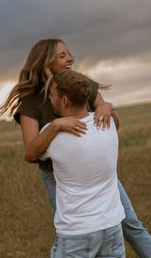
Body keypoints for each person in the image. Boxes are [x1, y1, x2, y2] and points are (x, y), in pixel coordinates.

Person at [0, 38, 151, 258]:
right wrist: (56, 126)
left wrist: (106, 105)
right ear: (45, 62)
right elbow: (31, 152)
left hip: (96, 172)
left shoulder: (80, 84)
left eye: (69, 53)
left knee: (131, 225)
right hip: (59, 177)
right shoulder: (31, 104)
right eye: (62, 55)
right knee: (78, 235)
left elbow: (108, 121)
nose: (71, 58)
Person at [40, 69, 125, 258]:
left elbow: (31, 154)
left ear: (64, 101)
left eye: (52, 95)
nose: (50, 100)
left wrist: (54, 125)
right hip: (112, 225)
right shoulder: (108, 123)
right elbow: (112, 116)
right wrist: (107, 106)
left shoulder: (53, 135)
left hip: (76, 230)